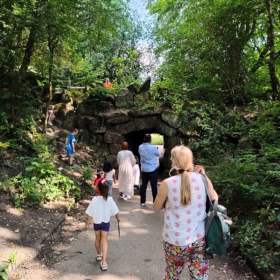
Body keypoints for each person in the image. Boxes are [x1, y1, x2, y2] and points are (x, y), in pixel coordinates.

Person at [154, 146, 218, 280]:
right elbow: (214, 199)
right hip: (198, 239)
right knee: (199, 276)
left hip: (173, 240)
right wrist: (204, 176)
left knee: (172, 274)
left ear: (173, 162)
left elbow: (156, 206)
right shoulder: (202, 179)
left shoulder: (167, 183)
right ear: (190, 161)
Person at [85, 179, 120, 271]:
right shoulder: (110, 199)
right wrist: (117, 218)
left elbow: (90, 213)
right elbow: (115, 211)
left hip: (97, 223)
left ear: (98, 189)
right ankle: (104, 261)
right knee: (104, 240)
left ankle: (99, 255)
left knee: (97, 238)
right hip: (105, 223)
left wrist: (87, 223)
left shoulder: (94, 199)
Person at [139, 134, 160, 206]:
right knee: (154, 185)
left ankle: (142, 201)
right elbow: (158, 154)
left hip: (144, 169)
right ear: (150, 140)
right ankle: (155, 201)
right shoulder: (153, 147)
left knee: (144, 184)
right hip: (152, 169)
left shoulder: (140, 147)